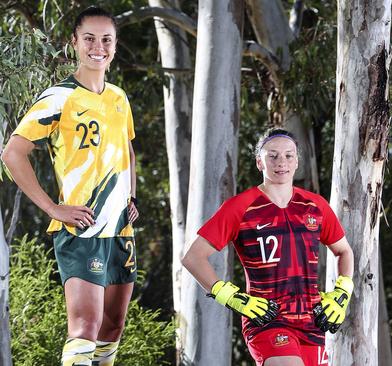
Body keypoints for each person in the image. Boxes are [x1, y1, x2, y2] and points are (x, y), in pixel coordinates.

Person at [1, 7, 138, 366]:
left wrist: (132, 195)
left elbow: (128, 151)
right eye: (89, 38)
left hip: (120, 228)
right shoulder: (59, 97)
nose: (98, 47)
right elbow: (13, 153)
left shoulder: (119, 98)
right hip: (82, 226)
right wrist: (53, 208)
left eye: (106, 39)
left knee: (112, 327)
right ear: (74, 43)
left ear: (115, 45)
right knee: (85, 327)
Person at [181, 128, 354, 366]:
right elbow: (193, 258)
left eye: (288, 155)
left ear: (296, 162)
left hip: (313, 321)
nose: (281, 162)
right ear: (259, 162)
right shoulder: (240, 207)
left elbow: (344, 251)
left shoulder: (316, 205)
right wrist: (232, 297)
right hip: (267, 318)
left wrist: (342, 293)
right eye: (272, 156)